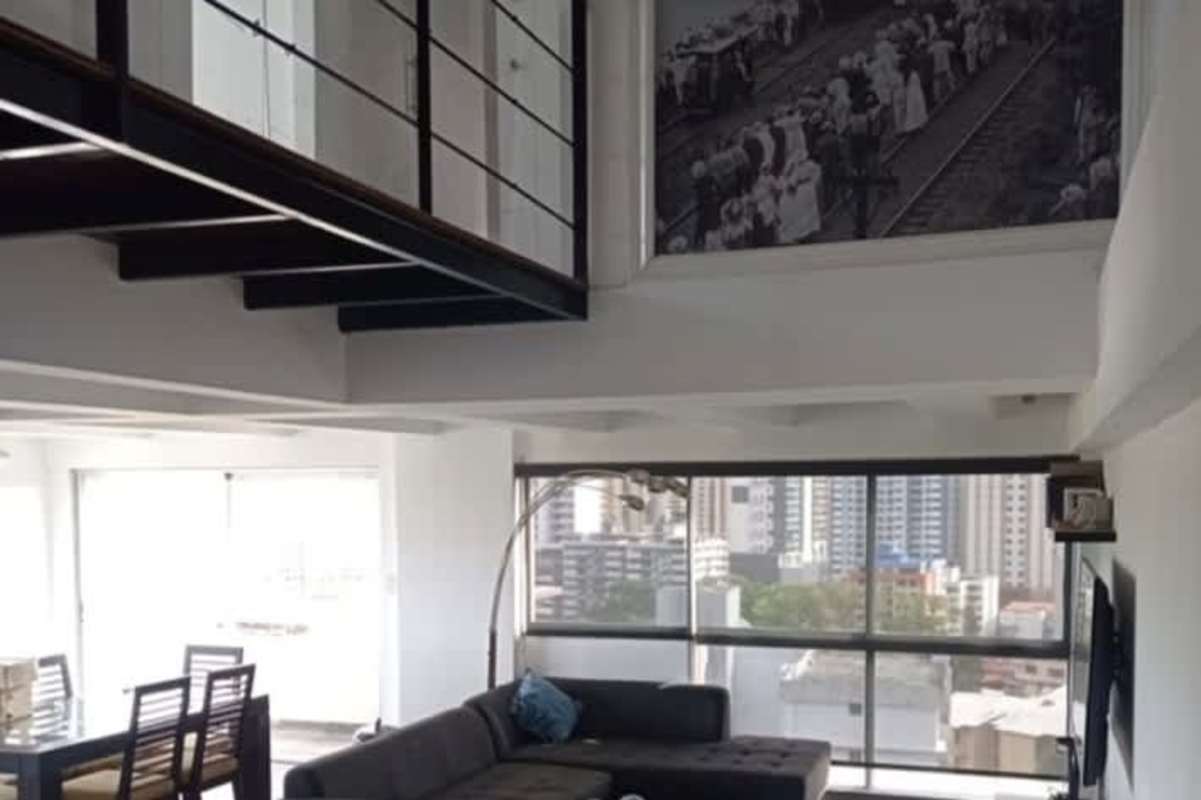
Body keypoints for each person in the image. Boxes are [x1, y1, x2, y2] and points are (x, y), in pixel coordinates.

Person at [929, 27, 957, 103]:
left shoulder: (932, 48)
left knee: (938, 81)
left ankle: (937, 97)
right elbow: (953, 46)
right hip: (945, 64)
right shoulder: (944, 43)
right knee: (948, 77)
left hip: (937, 66)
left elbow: (928, 55)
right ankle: (952, 89)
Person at [904, 62, 929, 132]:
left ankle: (918, 124)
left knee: (915, 109)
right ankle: (916, 125)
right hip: (914, 93)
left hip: (914, 93)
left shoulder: (911, 74)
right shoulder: (911, 75)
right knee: (915, 109)